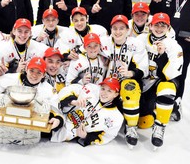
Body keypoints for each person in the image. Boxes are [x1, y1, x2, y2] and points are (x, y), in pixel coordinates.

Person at [149, 0, 190, 121]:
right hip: (165, 42)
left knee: (180, 73)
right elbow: (155, 16)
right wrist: (154, 2)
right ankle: (159, 100)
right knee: (162, 71)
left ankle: (176, 103)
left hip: (185, 44)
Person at [136, 13, 183, 150]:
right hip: (144, 81)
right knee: (143, 122)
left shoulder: (174, 46)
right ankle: (167, 106)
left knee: (167, 87)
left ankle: (160, 126)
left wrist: (162, 56)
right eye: (156, 24)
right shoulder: (141, 40)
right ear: (150, 26)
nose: (159, 28)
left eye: (163, 25)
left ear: (168, 28)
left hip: (159, 81)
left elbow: (169, 75)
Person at [104, 14, 148, 149]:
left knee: (130, 87)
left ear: (128, 30)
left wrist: (131, 73)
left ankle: (131, 127)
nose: (118, 32)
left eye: (121, 28)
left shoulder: (136, 44)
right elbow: (86, 49)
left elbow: (143, 69)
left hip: (126, 83)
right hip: (108, 84)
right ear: (110, 29)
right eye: (115, 28)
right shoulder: (104, 42)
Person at [51, 78, 124, 146]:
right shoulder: (90, 91)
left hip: (65, 135)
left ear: (116, 94)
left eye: (109, 91)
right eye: (103, 89)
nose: (104, 93)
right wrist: (72, 101)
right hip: (58, 117)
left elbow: (106, 137)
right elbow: (67, 90)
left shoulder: (116, 118)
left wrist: (86, 136)